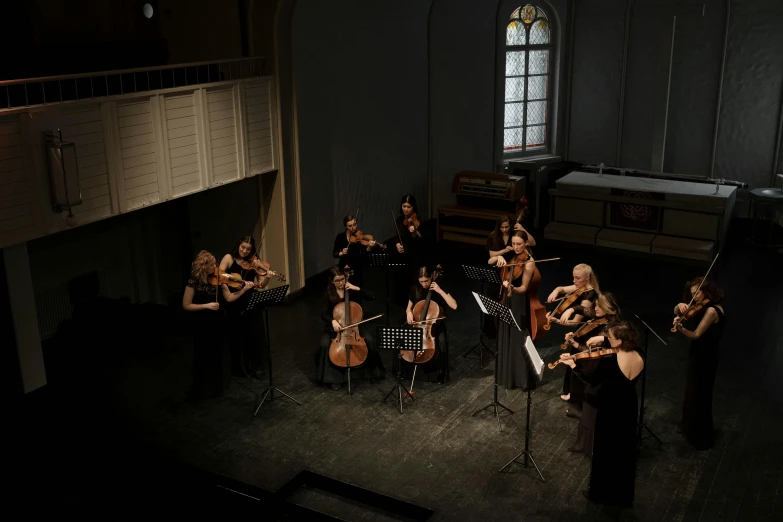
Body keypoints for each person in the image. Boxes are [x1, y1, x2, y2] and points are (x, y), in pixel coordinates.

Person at [561, 321, 644, 508]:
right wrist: (603, 338)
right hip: (629, 404)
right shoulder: (640, 353)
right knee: (624, 451)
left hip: (610, 408)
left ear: (620, 340)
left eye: (610, 338)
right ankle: (622, 496)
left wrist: (573, 364)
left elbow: (591, 381)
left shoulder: (609, 361)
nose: (607, 339)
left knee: (605, 450)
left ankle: (601, 493)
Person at [182, 250, 254, 400]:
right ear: (203, 266)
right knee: (202, 356)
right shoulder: (193, 282)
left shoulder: (219, 279)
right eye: (212, 264)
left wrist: (244, 289)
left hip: (218, 323)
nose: (216, 267)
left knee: (218, 355)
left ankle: (217, 388)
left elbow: (228, 297)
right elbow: (186, 305)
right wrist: (206, 306)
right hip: (202, 324)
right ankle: (202, 388)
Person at [561, 292, 621, 455]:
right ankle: (586, 444)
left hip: (600, 367)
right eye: (595, 305)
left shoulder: (611, 328)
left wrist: (575, 345)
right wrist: (571, 309)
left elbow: (592, 351)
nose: (595, 308)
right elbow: (583, 309)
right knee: (589, 406)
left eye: (599, 306)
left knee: (592, 408)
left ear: (609, 309)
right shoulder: (598, 315)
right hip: (594, 363)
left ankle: (590, 446)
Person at [673, 277, 725, 450]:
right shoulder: (698, 305)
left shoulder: (711, 310)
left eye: (697, 293)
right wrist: (679, 307)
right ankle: (689, 427)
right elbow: (679, 311)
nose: (694, 297)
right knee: (692, 389)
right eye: (692, 294)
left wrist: (680, 329)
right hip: (698, 353)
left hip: (706, 356)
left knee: (701, 392)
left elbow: (696, 335)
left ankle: (701, 434)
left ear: (707, 291)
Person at [316, 266, 385, 390]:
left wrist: (357, 288)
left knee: (369, 340)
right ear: (332, 281)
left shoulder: (351, 289)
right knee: (325, 344)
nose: (341, 283)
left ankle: (374, 373)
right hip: (336, 327)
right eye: (337, 281)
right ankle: (332, 378)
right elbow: (323, 313)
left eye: (342, 279)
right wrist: (332, 321)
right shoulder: (328, 293)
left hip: (354, 326)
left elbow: (372, 296)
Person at [488, 230, 537, 390]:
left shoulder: (529, 262)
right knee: (506, 336)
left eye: (519, 244)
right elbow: (490, 261)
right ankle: (507, 377)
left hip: (518, 302)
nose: (516, 247)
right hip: (507, 299)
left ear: (526, 244)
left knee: (518, 339)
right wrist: (499, 257)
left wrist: (512, 289)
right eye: (514, 243)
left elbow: (523, 288)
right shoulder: (514, 257)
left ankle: (521, 379)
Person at [219, 236, 272, 378]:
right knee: (237, 335)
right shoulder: (229, 258)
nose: (245, 251)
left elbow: (261, 285)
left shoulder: (254, 261)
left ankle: (257, 366)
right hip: (234, 299)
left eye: (248, 249)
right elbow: (219, 275)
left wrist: (267, 277)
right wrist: (232, 282)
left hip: (250, 299)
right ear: (238, 246)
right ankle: (238, 368)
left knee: (254, 333)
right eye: (243, 247)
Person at [546, 263, 600, 401]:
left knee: (579, 362)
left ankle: (576, 394)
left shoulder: (589, 296)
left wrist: (556, 321)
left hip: (587, 332)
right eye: (573, 277)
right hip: (582, 329)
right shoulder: (580, 287)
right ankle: (573, 392)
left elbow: (575, 322)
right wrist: (556, 291)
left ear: (587, 277)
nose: (574, 281)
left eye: (577, 278)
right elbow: (562, 288)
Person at [404, 265, 458, 384]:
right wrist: (408, 313)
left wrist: (439, 290)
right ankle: (408, 370)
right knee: (404, 337)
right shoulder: (415, 289)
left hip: (434, 326)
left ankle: (440, 374)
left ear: (431, 278)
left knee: (442, 342)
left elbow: (454, 305)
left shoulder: (439, 287)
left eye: (426, 281)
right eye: (421, 281)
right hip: (418, 323)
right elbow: (409, 308)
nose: (424, 284)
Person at [388, 194, 428, 306]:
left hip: (413, 255)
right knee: (401, 279)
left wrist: (414, 232)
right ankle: (402, 304)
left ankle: (415, 304)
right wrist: (397, 244)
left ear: (413, 207)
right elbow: (397, 236)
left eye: (409, 207)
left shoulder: (419, 221)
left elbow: (422, 241)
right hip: (401, 255)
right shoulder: (399, 220)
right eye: (404, 206)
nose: (406, 209)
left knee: (412, 279)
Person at [333, 214, 382, 289]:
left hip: (356, 267)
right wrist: (341, 253)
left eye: (354, 224)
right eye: (350, 226)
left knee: (357, 289)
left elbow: (364, 256)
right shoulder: (340, 237)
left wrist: (369, 247)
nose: (353, 228)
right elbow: (334, 253)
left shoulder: (360, 236)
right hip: (344, 267)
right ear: (345, 226)